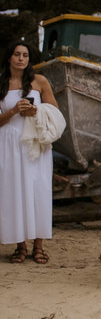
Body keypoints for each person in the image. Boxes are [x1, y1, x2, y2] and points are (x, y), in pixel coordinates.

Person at [1, 40, 59, 263]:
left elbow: (54, 112)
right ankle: (20, 246)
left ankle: (39, 246)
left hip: (35, 142)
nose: (21, 59)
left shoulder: (39, 81)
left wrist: (35, 111)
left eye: (25, 55)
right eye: (16, 54)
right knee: (13, 191)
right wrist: (14, 110)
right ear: (9, 57)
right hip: (8, 143)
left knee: (38, 190)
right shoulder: (1, 83)